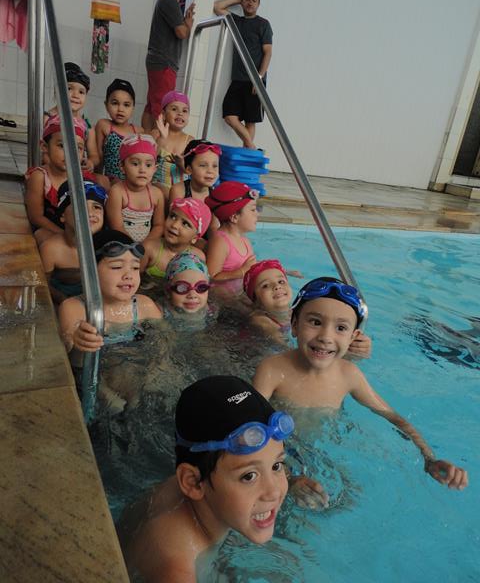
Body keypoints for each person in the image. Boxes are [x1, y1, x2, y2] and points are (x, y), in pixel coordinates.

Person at [253, 277, 469, 490]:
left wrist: (429, 458)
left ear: (353, 337)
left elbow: (392, 417)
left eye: (340, 328)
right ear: (294, 325)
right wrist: (289, 478)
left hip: (323, 447)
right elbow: (250, 427)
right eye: (315, 322)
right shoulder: (272, 370)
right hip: (280, 454)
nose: (326, 337)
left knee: (346, 495)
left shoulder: (348, 375)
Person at [117, 375, 294, 581]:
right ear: (192, 483)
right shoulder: (176, 570)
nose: (273, 491)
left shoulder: (197, 481)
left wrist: (295, 482)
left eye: (276, 466)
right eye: (249, 476)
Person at [58, 230, 163, 412]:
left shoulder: (144, 306)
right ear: (89, 272)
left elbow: (165, 343)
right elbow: (70, 354)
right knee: (114, 406)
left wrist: (155, 371)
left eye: (135, 267)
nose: (128, 275)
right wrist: (77, 340)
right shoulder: (74, 308)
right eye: (116, 267)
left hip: (134, 371)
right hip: (97, 380)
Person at [244, 260, 372, 357]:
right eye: (265, 285)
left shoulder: (298, 311)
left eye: (281, 281)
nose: (277, 286)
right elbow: (286, 350)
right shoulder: (261, 320)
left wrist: (354, 347)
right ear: (255, 300)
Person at [214, 0, 272, 149]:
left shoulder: (263, 24)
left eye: (254, 0)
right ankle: (252, 148)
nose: (250, 3)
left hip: (255, 79)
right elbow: (217, 7)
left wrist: (259, 78)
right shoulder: (236, 21)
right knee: (229, 115)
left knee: (250, 120)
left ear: (258, 4)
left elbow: (268, 52)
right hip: (238, 79)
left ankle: (247, 152)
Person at [142, 0, 198, 131]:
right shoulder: (169, 0)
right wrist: (188, 24)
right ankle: (156, 143)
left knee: (152, 105)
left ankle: (146, 139)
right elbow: (182, 33)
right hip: (164, 62)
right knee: (161, 108)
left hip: (159, 61)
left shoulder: (168, 0)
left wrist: (184, 22)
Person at [25, 115, 92, 245]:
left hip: (75, 234)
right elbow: (35, 217)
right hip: (51, 230)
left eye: (78, 148)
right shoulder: (40, 177)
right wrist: (64, 235)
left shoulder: (82, 179)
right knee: (43, 236)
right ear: (44, 146)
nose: (70, 153)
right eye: (62, 146)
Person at [39, 180, 107, 304]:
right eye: (80, 205)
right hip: (63, 298)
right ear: (62, 216)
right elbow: (42, 284)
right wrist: (64, 300)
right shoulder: (51, 249)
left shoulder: (106, 247)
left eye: (97, 207)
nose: (89, 213)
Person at [106, 134, 165, 242]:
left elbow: (159, 225)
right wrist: (133, 247)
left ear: (155, 169)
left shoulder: (157, 194)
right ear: (122, 167)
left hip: (147, 245)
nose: (142, 170)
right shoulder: (117, 192)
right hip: (121, 243)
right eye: (135, 164)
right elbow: (117, 227)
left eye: (148, 165)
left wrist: (146, 245)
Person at [45, 62, 100, 169]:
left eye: (81, 92)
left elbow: (94, 156)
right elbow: (43, 152)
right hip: (53, 171)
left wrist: (90, 163)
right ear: (57, 90)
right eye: (69, 89)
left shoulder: (87, 126)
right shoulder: (47, 119)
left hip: (77, 171)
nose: (75, 95)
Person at [205, 181, 257, 290]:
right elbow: (211, 277)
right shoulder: (220, 241)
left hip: (239, 294)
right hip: (222, 298)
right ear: (234, 217)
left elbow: (252, 268)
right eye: (253, 210)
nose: (257, 213)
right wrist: (241, 272)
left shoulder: (245, 241)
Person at [141, 198, 210, 279]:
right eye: (173, 217)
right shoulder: (149, 248)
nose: (174, 225)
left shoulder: (197, 257)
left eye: (185, 224)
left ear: (195, 238)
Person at [95, 78, 143, 181]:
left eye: (126, 105)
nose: (120, 109)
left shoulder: (139, 132)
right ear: (106, 105)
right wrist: (97, 182)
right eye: (115, 103)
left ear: (133, 108)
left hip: (132, 183)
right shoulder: (104, 125)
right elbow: (99, 158)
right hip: (111, 182)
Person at [151, 90, 195, 192]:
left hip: (179, 192)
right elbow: (148, 160)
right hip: (156, 189)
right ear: (163, 114)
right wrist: (162, 139)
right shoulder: (155, 134)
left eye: (185, 111)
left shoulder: (189, 140)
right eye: (174, 109)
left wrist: (180, 163)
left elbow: (190, 171)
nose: (180, 113)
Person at [169, 139, 221, 206]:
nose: (210, 171)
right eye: (203, 165)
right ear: (189, 169)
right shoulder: (179, 191)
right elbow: (174, 213)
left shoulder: (216, 196)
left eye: (215, 166)